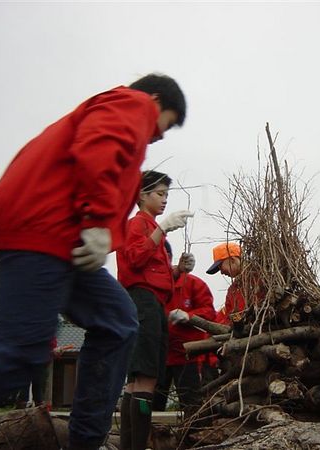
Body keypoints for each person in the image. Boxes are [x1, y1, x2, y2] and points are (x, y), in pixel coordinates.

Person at [0, 73, 186, 450]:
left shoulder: (130, 128)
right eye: (169, 121)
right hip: (39, 230)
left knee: (118, 322)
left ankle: (84, 442)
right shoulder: (131, 105)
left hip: (67, 243)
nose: (163, 134)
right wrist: (98, 219)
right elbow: (97, 147)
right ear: (155, 99)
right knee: (22, 355)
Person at [116, 170, 193, 450]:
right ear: (141, 195)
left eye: (166, 195)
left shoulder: (147, 226)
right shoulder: (138, 224)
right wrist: (163, 229)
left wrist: (177, 271)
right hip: (143, 303)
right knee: (146, 377)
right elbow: (135, 259)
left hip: (150, 302)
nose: (164, 201)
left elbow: (150, 271)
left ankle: (129, 446)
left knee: (136, 380)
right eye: (159, 194)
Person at [153, 251, 218, 412]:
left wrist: (188, 317)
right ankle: (150, 434)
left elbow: (209, 313)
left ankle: (193, 435)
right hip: (159, 355)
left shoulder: (195, 284)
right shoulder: (155, 287)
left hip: (187, 356)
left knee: (191, 403)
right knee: (153, 401)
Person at [206, 242, 246, 325]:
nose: (221, 272)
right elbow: (227, 318)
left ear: (232, 260)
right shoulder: (232, 290)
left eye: (221, 266)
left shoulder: (261, 277)